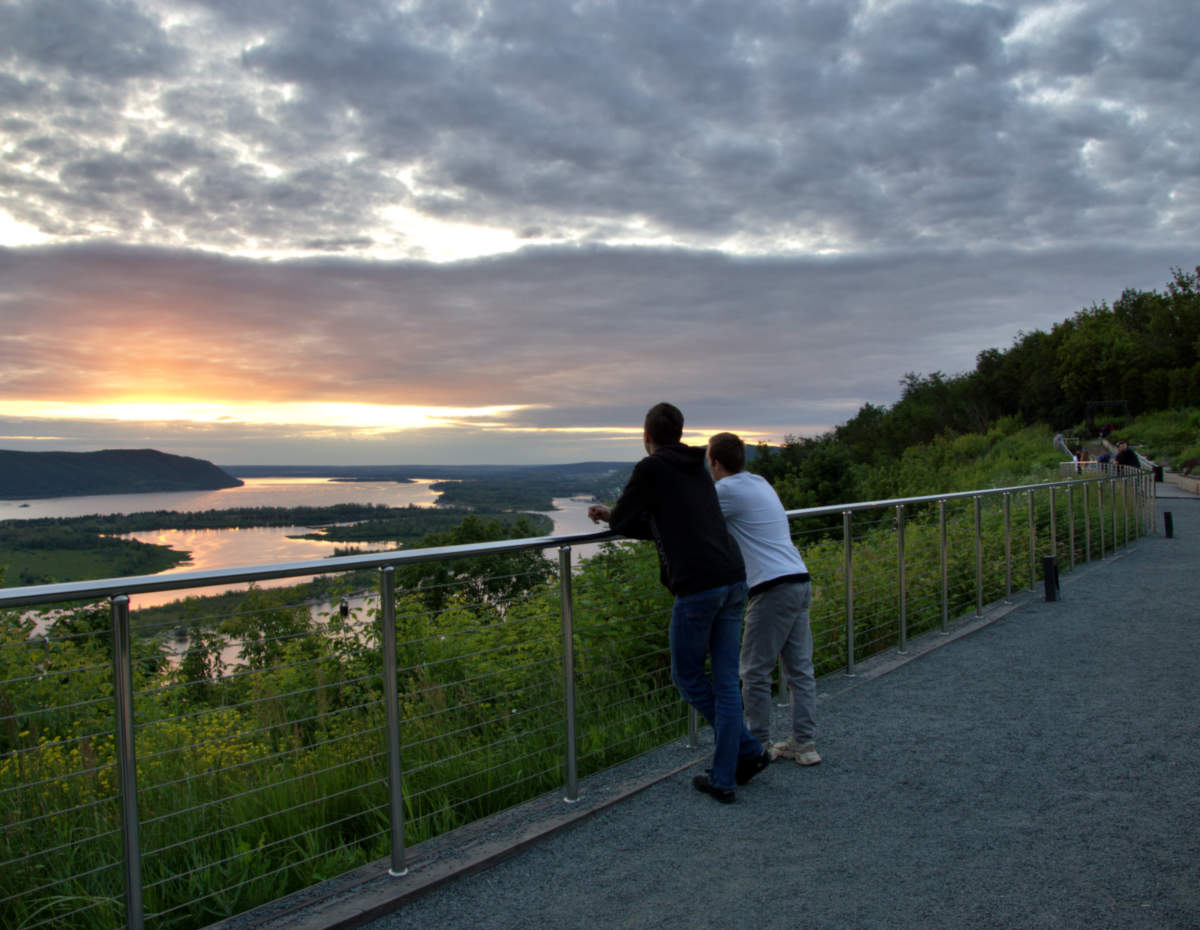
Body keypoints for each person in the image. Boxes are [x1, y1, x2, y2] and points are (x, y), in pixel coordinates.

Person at [588, 403, 768, 803]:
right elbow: (675, 523)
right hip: (734, 579)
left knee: (687, 677)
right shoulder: (698, 468)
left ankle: (742, 755)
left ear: (646, 436)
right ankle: (736, 764)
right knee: (725, 683)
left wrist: (610, 514)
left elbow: (623, 522)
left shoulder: (650, 468)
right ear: (681, 432)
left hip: (699, 586)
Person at [707, 432, 821, 768]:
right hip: (799, 578)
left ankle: (757, 744)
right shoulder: (759, 482)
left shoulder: (725, 490)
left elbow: (691, 519)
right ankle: (805, 744)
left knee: (754, 671)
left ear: (715, 462)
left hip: (772, 587)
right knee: (800, 669)